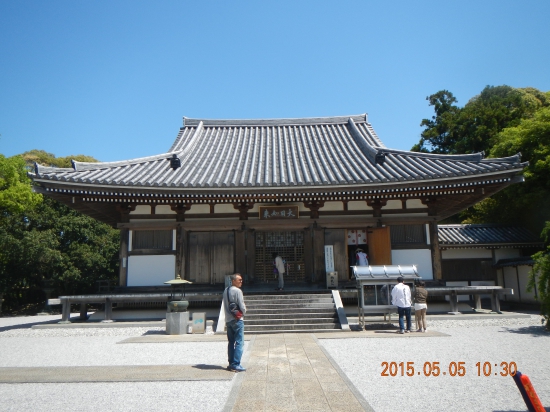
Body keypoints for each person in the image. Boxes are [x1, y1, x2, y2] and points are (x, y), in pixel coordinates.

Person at [223, 273, 247, 372]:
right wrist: (244, 311)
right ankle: (236, 363)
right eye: (239, 280)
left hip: (228, 320)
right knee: (239, 342)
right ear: (233, 281)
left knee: (231, 342)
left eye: (241, 280)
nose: (241, 281)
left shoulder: (226, 290)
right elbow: (241, 305)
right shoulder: (238, 291)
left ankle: (231, 363)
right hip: (237, 320)